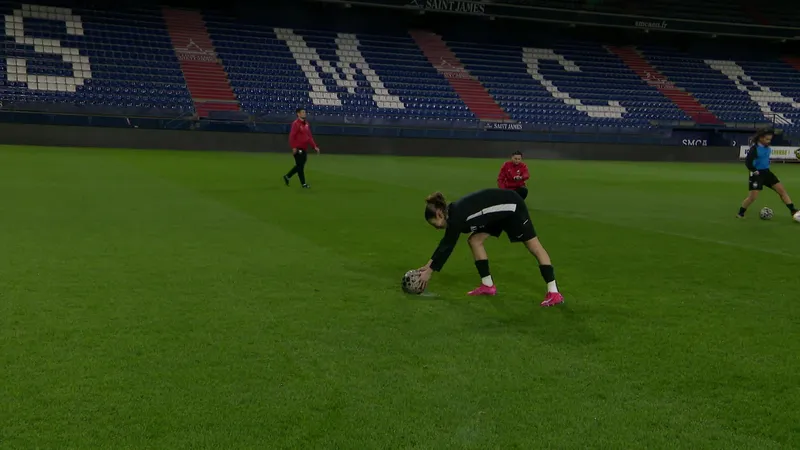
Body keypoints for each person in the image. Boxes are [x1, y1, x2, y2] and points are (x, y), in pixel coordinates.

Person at [416, 188, 564, 307]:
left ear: (439, 214)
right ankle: (488, 286)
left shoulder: (456, 217)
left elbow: (448, 245)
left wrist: (430, 272)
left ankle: (554, 293)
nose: (436, 228)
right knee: (474, 241)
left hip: (512, 208)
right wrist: (429, 265)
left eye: (434, 223)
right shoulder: (453, 214)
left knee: (534, 246)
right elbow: (445, 243)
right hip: (496, 214)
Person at [737, 128, 798, 219]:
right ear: (761, 138)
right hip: (756, 174)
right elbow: (748, 162)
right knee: (753, 197)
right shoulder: (754, 149)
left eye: (770, 139)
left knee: (782, 191)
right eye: (767, 139)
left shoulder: (767, 148)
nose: (769, 141)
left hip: (767, 172)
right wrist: (754, 171)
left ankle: (793, 211)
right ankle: (740, 213)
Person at [283, 108, 320, 189]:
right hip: (298, 147)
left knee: (300, 165)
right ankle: (303, 184)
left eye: (305, 112)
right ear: (298, 114)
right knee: (300, 166)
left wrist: (314, 146)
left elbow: (309, 137)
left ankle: (287, 176)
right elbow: (292, 136)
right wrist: (293, 147)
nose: (304, 113)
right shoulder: (296, 124)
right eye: (302, 112)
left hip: (304, 147)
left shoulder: (306, 124)